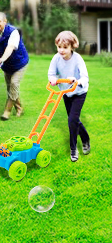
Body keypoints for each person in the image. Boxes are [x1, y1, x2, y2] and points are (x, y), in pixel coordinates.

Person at [48, 31, 90, 162]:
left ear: (72, 47)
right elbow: (51, 73)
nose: (61, 50)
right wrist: (53, 79)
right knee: (74, 120)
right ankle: (86, 139)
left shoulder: (78, 59)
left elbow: (85, 77)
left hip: (79, 92)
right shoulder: (56, 58)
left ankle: (73, 149)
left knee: (72, 120)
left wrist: (76, 81)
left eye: (65, 47)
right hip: (66, 92)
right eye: (59, 47)